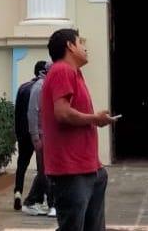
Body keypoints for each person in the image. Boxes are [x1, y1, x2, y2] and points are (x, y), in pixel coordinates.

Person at [40, 28, 114, 231]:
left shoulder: (75, 73)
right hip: (71, 170)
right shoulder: (62, 70)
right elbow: (62, 113)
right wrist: (95, 119)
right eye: (81, 42)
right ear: (70, 46)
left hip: (88, 168)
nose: (86, 47)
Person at [13, 61, 47, 210]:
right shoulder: (42, 88)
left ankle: (18, 192)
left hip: (23, 133)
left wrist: (18, 133)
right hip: (38, 133)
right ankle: (42, 198)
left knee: (22, 165)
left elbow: (17, 113)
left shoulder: (22, 88)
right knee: (42, 168)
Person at [24, 61, 55, 217]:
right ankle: (51, 204)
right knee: (46, 170)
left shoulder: (48, 85)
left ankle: (32, 201)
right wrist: (35, 137)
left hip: (49, 134)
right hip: (41, 135)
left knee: (46, 170)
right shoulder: (39, 87)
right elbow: (32, 113)